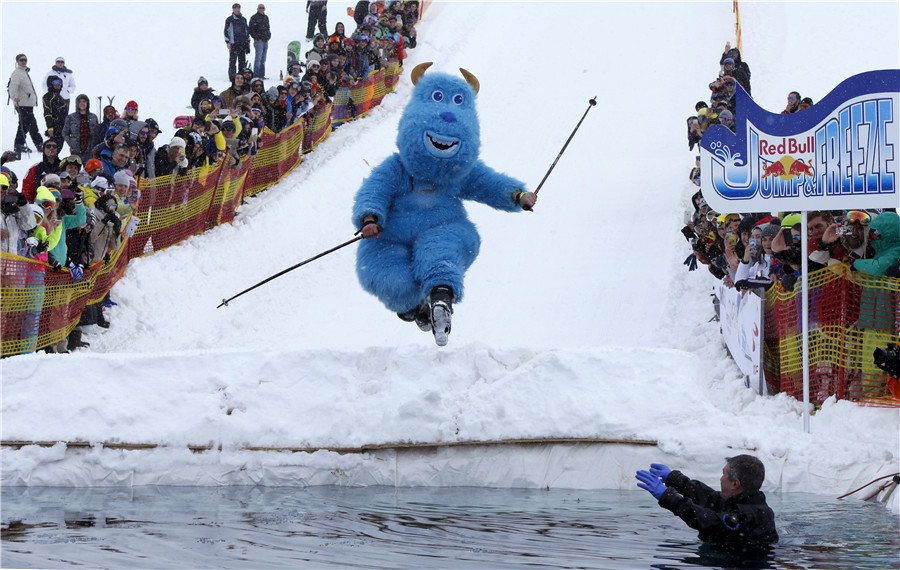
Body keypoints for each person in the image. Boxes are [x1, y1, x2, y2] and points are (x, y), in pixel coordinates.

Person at [352, 63, 536, 347]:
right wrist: (370, 217)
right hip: (391, 235)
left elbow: (489, 184)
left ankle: (441, 295)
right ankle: (414, 308)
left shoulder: (459, 173)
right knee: (388, 277)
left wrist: (516, 195)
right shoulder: (397, 168)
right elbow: (375, 190)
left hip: (441, 226)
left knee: (441, 250)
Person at [635, 456, 778, 554]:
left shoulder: (749, 515)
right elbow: (708, 497)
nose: (721, 479)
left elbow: (708, 522)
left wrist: (668, 497)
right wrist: (674, 479)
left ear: (735, 484)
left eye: (724, 474)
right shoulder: (742, 501)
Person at [8, 54, 44, 154]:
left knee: (27, 124)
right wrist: (15, 98)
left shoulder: (23, 72)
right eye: (21, 60)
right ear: (17, 61)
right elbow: (12, 87)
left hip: (27, 103)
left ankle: (25, 144)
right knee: (27, 124)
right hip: (22, 103)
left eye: (25, 60)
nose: (24, 62)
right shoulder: (17, 73)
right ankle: (34, 144)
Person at [61, 94, 99, 164]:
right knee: (75, 170)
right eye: (80, 102)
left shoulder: (93, 117)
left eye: (84, 101)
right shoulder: (71, 117)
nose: (82, 103)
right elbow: (65, 132)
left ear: (87, 103)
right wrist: (71, 143)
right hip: (76, 151)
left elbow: (97, 133)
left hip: (90, 150)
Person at [225, 3, 251, 82]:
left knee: (242, 62)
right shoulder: (229, 20)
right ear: (233, 9)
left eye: (238, 8)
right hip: (233, 44)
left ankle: (241, 76)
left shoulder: (243, 19)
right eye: (235, 8)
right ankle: (232, 77)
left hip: (242, 44)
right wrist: (227, 42)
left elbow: (247, 31)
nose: (237, 10)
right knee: (232, 62)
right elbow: (226, 31)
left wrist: (248, 41)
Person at [42, 76, 68, 147]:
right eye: (55, 83)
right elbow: (47, 113)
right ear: (51, 84)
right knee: (53, 148)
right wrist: (50, 127)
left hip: (62, 127)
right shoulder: (47, 97)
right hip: (55, 127)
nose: (57, 85)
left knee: (59, 147)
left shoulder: (60, 97)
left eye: (59, 82)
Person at [249, 3, 271, 79]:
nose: (261, 9)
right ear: (257, 9)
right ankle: (256, 75)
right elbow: (251, 29)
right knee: (258, 58)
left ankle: (262, 75)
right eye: (260, 8)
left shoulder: (266, 17)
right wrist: (257, 37)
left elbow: (268, 27)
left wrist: (269, 35)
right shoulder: (254, 17)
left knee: (263, 58)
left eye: (262, 8)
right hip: (259, 41)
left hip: (265, 40)